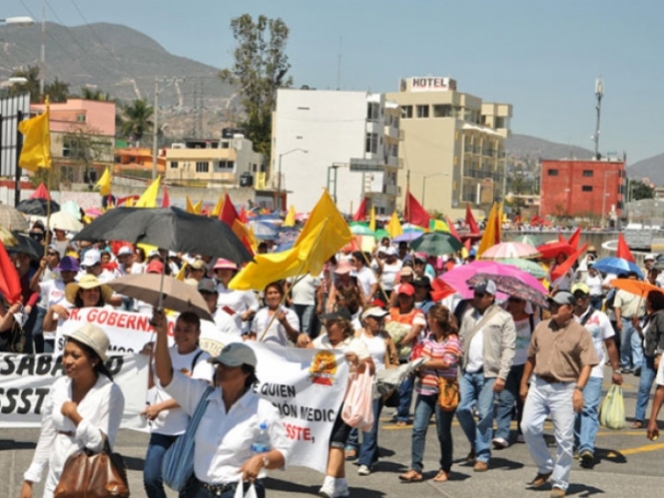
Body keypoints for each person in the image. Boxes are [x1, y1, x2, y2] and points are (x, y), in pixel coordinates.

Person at [151, 309, 290, 498]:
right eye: (219, 364)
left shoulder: (262, 409)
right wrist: (161, 334)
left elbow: (282, 453)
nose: (221, 369)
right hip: (197, 491)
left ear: (246, 372)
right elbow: (165, 376)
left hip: (237, 492)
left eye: (229, 365)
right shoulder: (202, 397)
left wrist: (261, 459)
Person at [21, 323, 124, 498]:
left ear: (94, 360)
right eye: (65, 354)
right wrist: (30, 479)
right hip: (55, 479)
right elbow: (47, 435)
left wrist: (74, 416)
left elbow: (101, 444)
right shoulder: (59, 386)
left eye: (75, 356)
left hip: (88, 481)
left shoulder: (110, 392)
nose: (67, 361)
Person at [520, 291, 599, 498]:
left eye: (558, 305)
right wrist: (523, 383)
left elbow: (588, 364)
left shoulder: (581, 332)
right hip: (539, 384)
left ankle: (560, 483)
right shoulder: (541, 327)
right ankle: (545, 466)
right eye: (551, 305)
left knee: (564, 438)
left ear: (570, 308)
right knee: (527, 426)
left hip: (565, 387)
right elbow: (530, 357)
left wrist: (579, 390)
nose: (552, 308)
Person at [141, 312, 214, 498]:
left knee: (186, 484)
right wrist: (149, 357)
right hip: (162, 428)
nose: (181, 334)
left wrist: (159, 407)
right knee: (151, 479)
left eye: (187, 330)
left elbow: (195, 395)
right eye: (178, 329)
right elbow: (151, 382)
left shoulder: (203, 359)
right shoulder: (166, 353)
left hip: (187, 431)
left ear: (198, 333)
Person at [310, 308, 374, 498]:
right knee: (330, 441)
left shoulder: (356, 344)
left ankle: (329, 484)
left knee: (337, 440)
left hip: (346, 400)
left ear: (343, 326)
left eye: (332, 324)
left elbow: (371, 367)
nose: (327, 327)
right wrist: (301, 342)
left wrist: (359, 363)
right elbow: (304, 356)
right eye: (326, 324)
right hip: (323, 401)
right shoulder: (320, 341)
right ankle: (341, 484)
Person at [456, 280, 515, 472]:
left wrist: (502, 376)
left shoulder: (503, 317)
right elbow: (462, 338)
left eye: (481, 295)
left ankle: (482, 455)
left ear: (491, 297)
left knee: (484, 414)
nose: (477, 298)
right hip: (468, 371)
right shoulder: (468, 315)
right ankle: (476, 443)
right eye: (475, 294)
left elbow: (508, 348)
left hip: (489, 372)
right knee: (462, 409)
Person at [399, 304, 462, 484]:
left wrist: (424, 363)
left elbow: (448, 363)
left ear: (434, 320)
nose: (427, 322)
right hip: (425, 390)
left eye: (429, 319)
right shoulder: (428, 338)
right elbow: (423, 357)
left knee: (443, 432)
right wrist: (415, 367)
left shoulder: (452, 340)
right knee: (418, 429)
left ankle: (445, 467)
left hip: (444, 391)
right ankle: (416, 468)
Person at [571, 283, 622, 468]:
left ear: (588, 297)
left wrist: (616, 370)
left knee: (589, 409)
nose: (579, 299)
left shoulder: (600, 317)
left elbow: (610, 344)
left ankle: (587, 448)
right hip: (570, 372)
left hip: (594, 370)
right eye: (576, 295)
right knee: (574, 411)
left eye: (582, 296)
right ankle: (578, 443)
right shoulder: (566, 317)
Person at [345, 307, 398, 473]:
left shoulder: (385, 337)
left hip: (378, 384)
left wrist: (391, 381)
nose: (379, 322)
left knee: (370, 423)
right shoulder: (356, 336)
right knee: (356, 418)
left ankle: (365, 461)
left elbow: (392, 358)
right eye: (375, 318)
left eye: (381, 318)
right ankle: (369, 453)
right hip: (358, 383)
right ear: (366, 319)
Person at [493, 296, 539, 448]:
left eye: (518, 301)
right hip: (507, 365)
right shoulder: (502, 319)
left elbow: (539, 343)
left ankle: (522, 430)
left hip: (526, 365)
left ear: (525, 303)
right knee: (505, 400)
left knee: (523, 399)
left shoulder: (533, 320)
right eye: (512, 300)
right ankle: (502, 434)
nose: (514, 304)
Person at [386, 283, 427, 426]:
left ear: (413, 297)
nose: (404, 299)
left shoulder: (418, 313)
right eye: (402, 296)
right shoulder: (391, 311)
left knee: (405, 387)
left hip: (409, 355)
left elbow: (415, 332)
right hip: (392, 356)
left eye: (407, 297)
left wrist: (399, 342)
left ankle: (402, 416)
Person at [31, 256, 80, 352]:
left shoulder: (80, 287)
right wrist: (40, 269)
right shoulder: (52, 283)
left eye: (68, 271)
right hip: (51, 334)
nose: (65, 273)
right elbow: (33, 287)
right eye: (63, 270)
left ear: (75, 272)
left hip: (70, 334)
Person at [631, 290, 664, 429]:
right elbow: (646, 337)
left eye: (647, 299)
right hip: (647, 355)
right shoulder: (649, 316)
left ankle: (652, 418)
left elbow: (663, 336)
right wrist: (638, 327)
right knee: (644, 387)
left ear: (651, 301)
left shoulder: (661, 316)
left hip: (658, 356)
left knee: (661, 388)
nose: (644, 301)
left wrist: (659, 355)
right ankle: (639, 418)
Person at [43, 274, 114, 334]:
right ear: (80, 294)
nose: (93, 293)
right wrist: (51, 310)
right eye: (88, 290)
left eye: (96, 290)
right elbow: (47, 328)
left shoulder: (108, 311)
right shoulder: (70, 314)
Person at [249, 282, 307, 347]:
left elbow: (295, 336)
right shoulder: (260, 313)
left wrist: (285, 323)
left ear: (281, 295)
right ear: (266, 296)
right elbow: (253, 335)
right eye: (270, 293)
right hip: (261, 352)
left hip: (279, 353)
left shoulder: (289, 313)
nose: (273, 296)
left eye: (276, 292)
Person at [213, 259, 259, 333]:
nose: (224, 272)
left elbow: (255, 305)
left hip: (239, 329)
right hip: (219, 328)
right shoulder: (214, 288)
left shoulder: (242, 287)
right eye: (221, 269)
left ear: (233, 272)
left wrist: (247, 314)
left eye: (227, 269)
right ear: (217, 272)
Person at [614, 271, 645, 374]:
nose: (632, 282)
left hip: (638, 320)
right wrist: (618, 321)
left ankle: (638, 365)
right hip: (625, 320)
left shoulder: (642, 292)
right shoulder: (621, 292)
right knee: (624, 344)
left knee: (637, 343)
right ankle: (626, 364)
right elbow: (617, 307)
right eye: (630, 280)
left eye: (634, 280)